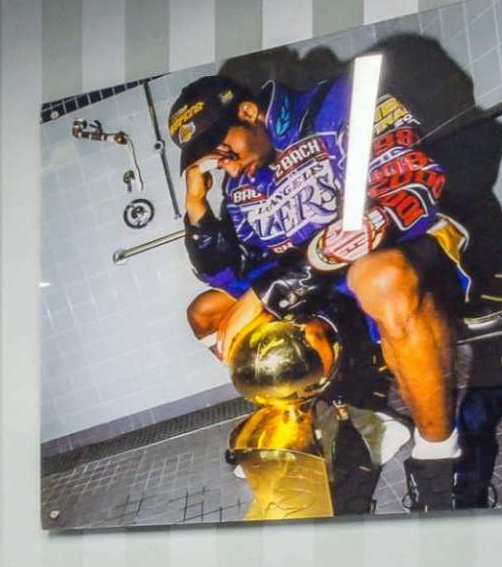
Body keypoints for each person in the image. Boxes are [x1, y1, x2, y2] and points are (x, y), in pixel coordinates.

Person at [165, 67, 468, 506]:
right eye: (211, 159)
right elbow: (229, 275)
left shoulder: (339, 104)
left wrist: (272, 290)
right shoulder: (241, 182)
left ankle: (439, 461)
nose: (224, 164)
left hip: (403, 259)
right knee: (207, 311)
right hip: (321, 292)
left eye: (222, 148)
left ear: (249, 112)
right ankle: (357, 417)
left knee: (377, 276)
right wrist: (196, 207)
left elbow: (415, 184)